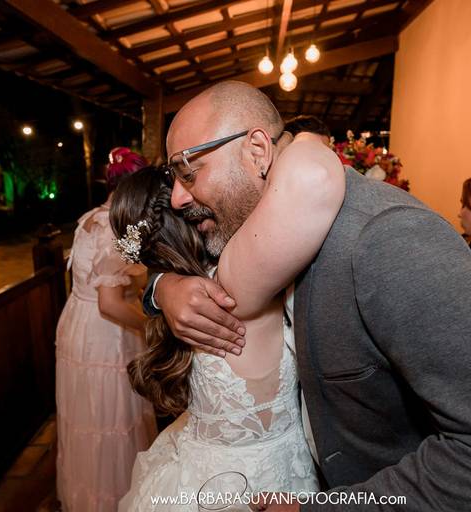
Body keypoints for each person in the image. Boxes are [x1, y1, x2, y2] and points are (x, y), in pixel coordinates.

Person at [146, 80, 471, 511]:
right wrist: (161, 289)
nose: (177, 197)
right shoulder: (256, 228)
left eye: (189, 172)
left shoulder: (392, 241)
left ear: (257, 151)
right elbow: (167, 256)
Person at [112, 130, 344, 510]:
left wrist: (160, 285)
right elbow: (313, 172)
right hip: (257, 482)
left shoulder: (193, 291)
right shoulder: (234, 285)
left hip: (200, 469)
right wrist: (297, 137)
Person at [55, 147, 157, 512]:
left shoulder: (91, 218)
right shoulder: (118, 227)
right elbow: (110, 303)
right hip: (105, 335)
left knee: (87, 420)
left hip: (77, 325)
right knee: (111, 421)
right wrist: (153, 327)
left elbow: (121, 276)